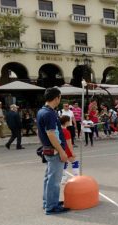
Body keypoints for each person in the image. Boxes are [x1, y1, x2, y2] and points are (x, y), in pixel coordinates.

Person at [36, 87, 69, 215]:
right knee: (54, 180)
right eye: (60, 97)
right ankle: (51, 206)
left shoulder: (42, 111)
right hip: (54, 150)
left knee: (48, 178)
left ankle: (48, 202)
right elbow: (51, 134)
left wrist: (44, 145)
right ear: (57, 98)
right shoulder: (49, 113)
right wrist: (61, 151)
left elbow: (40, 132)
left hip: (48, 149)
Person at [60, 115, 80, 184]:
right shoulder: (66, 131)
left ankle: (63, 178)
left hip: (60, 149)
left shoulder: (58, 130)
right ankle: (76, 177)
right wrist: (72, 152)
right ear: (66, 122)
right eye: (69, 121)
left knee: (64, 163)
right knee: (74, 162)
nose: (70, 122)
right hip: (67, 149)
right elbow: (69, 143)